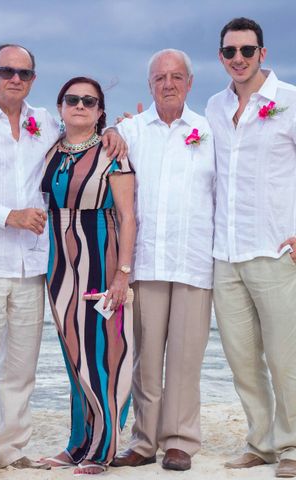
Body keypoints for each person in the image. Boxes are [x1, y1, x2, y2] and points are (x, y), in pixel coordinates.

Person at [0, 44, 127, 472]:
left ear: (34, 80)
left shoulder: (45, 123)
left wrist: (116, 131)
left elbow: (85, 139)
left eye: (25, 73)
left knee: (21, 369)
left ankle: (12, 451)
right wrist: (8, 216)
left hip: (38, 267)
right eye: (8, 71)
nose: (16, 79)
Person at [110, 49, 216, 472]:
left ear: (189, 83)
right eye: (159, 78)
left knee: (186, 360)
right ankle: (143, 439)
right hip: (147, 261)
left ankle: (180, 441)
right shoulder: (131, 130)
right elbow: (105, 154)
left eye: (176, 77)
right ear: (149, 85)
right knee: (146, 359)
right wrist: (110, 130)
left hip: (194, 261)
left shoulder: (210, 132)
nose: (168, 84)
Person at [206, 17, 296, 478]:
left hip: (276, 251)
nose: (238, 59)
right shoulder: (214, 107)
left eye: (246, 50)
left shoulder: (291, 102)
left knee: (286, 358)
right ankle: (260, 442)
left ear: (264, 53)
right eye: (229, 51)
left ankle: (293, 445)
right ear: (221, 56)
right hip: (225, 253)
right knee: (242, 359)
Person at [39, 76, 136, 475]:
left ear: (100, 112)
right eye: (72, 99)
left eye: (89, 101)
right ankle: (77, 443)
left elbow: (128, 216)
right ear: (61, 106)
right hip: (58, 261)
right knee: (72, 354)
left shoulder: (113, 152)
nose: (80, 105)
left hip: (99, 254)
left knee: (102, 353)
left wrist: (122, 273)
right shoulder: (50, 149)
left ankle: (103, 448)